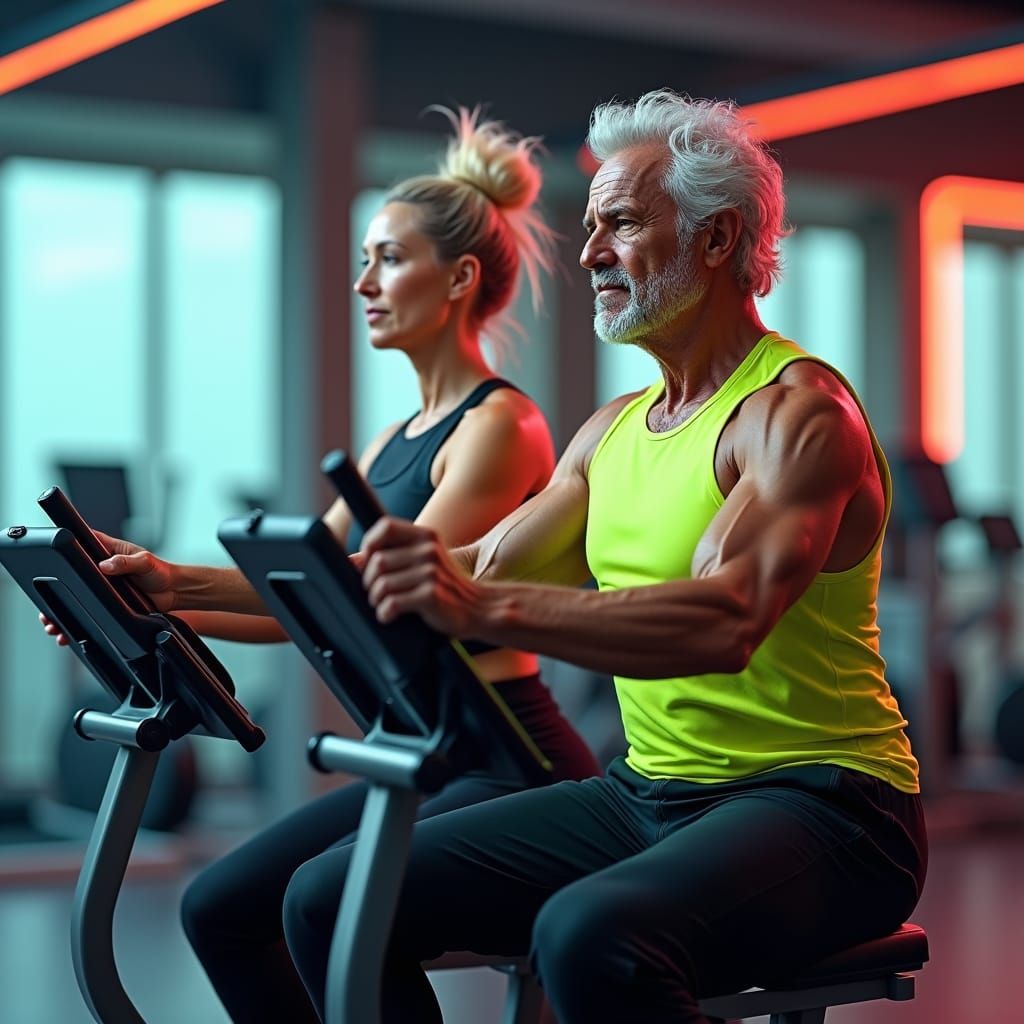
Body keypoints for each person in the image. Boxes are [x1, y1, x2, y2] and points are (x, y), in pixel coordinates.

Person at [279, 90, 928, 1024]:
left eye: (619, 224)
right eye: (589, 227)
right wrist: (171, 589)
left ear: (715, 240)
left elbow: (725, 620)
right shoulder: (611, 433)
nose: (587, 254)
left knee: (592, 936)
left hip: (830, 805)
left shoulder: (797, 414)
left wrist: (475, 608)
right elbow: (472, 571)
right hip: (648, 791)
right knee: (334, 897)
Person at [43, 107, 598, 1022]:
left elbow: (375, 604)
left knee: (323, 908)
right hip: (422, 749)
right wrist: (145, 599)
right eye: (366, 259)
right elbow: (300, 600)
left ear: (458, 278)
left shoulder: (502, 426)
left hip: (505, 753)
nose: (362, 282)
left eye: (388, 259)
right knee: (218, 908)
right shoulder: (391, 441)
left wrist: (177, 587)